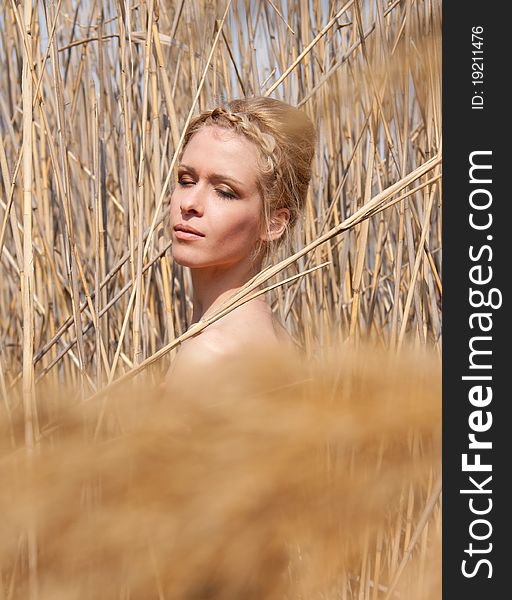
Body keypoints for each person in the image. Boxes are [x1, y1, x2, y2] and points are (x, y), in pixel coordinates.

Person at [166, 97, 315, 379]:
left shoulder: (210, 354)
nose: (189, 204)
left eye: (224, 191)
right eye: (186, 180)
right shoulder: (272, 333)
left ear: (273, 223)